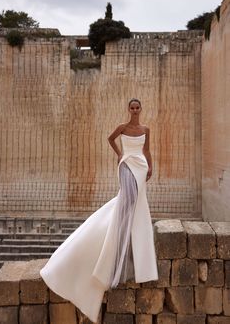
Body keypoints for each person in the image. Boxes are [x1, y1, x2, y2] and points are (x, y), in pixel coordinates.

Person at [40, 98, 159, 323]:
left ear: (141, 109)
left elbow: (147, 150)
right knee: (126, 199)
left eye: (137, 107)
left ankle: (124, 244)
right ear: (129, 109)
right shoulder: (123, 128)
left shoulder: (145, 129)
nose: (134, 110)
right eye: (132, 107)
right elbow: (110, 139)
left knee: (131, 207)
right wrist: (119, 155)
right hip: (126, 165)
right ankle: (114, 243)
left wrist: (151, 166)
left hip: (141, 167)